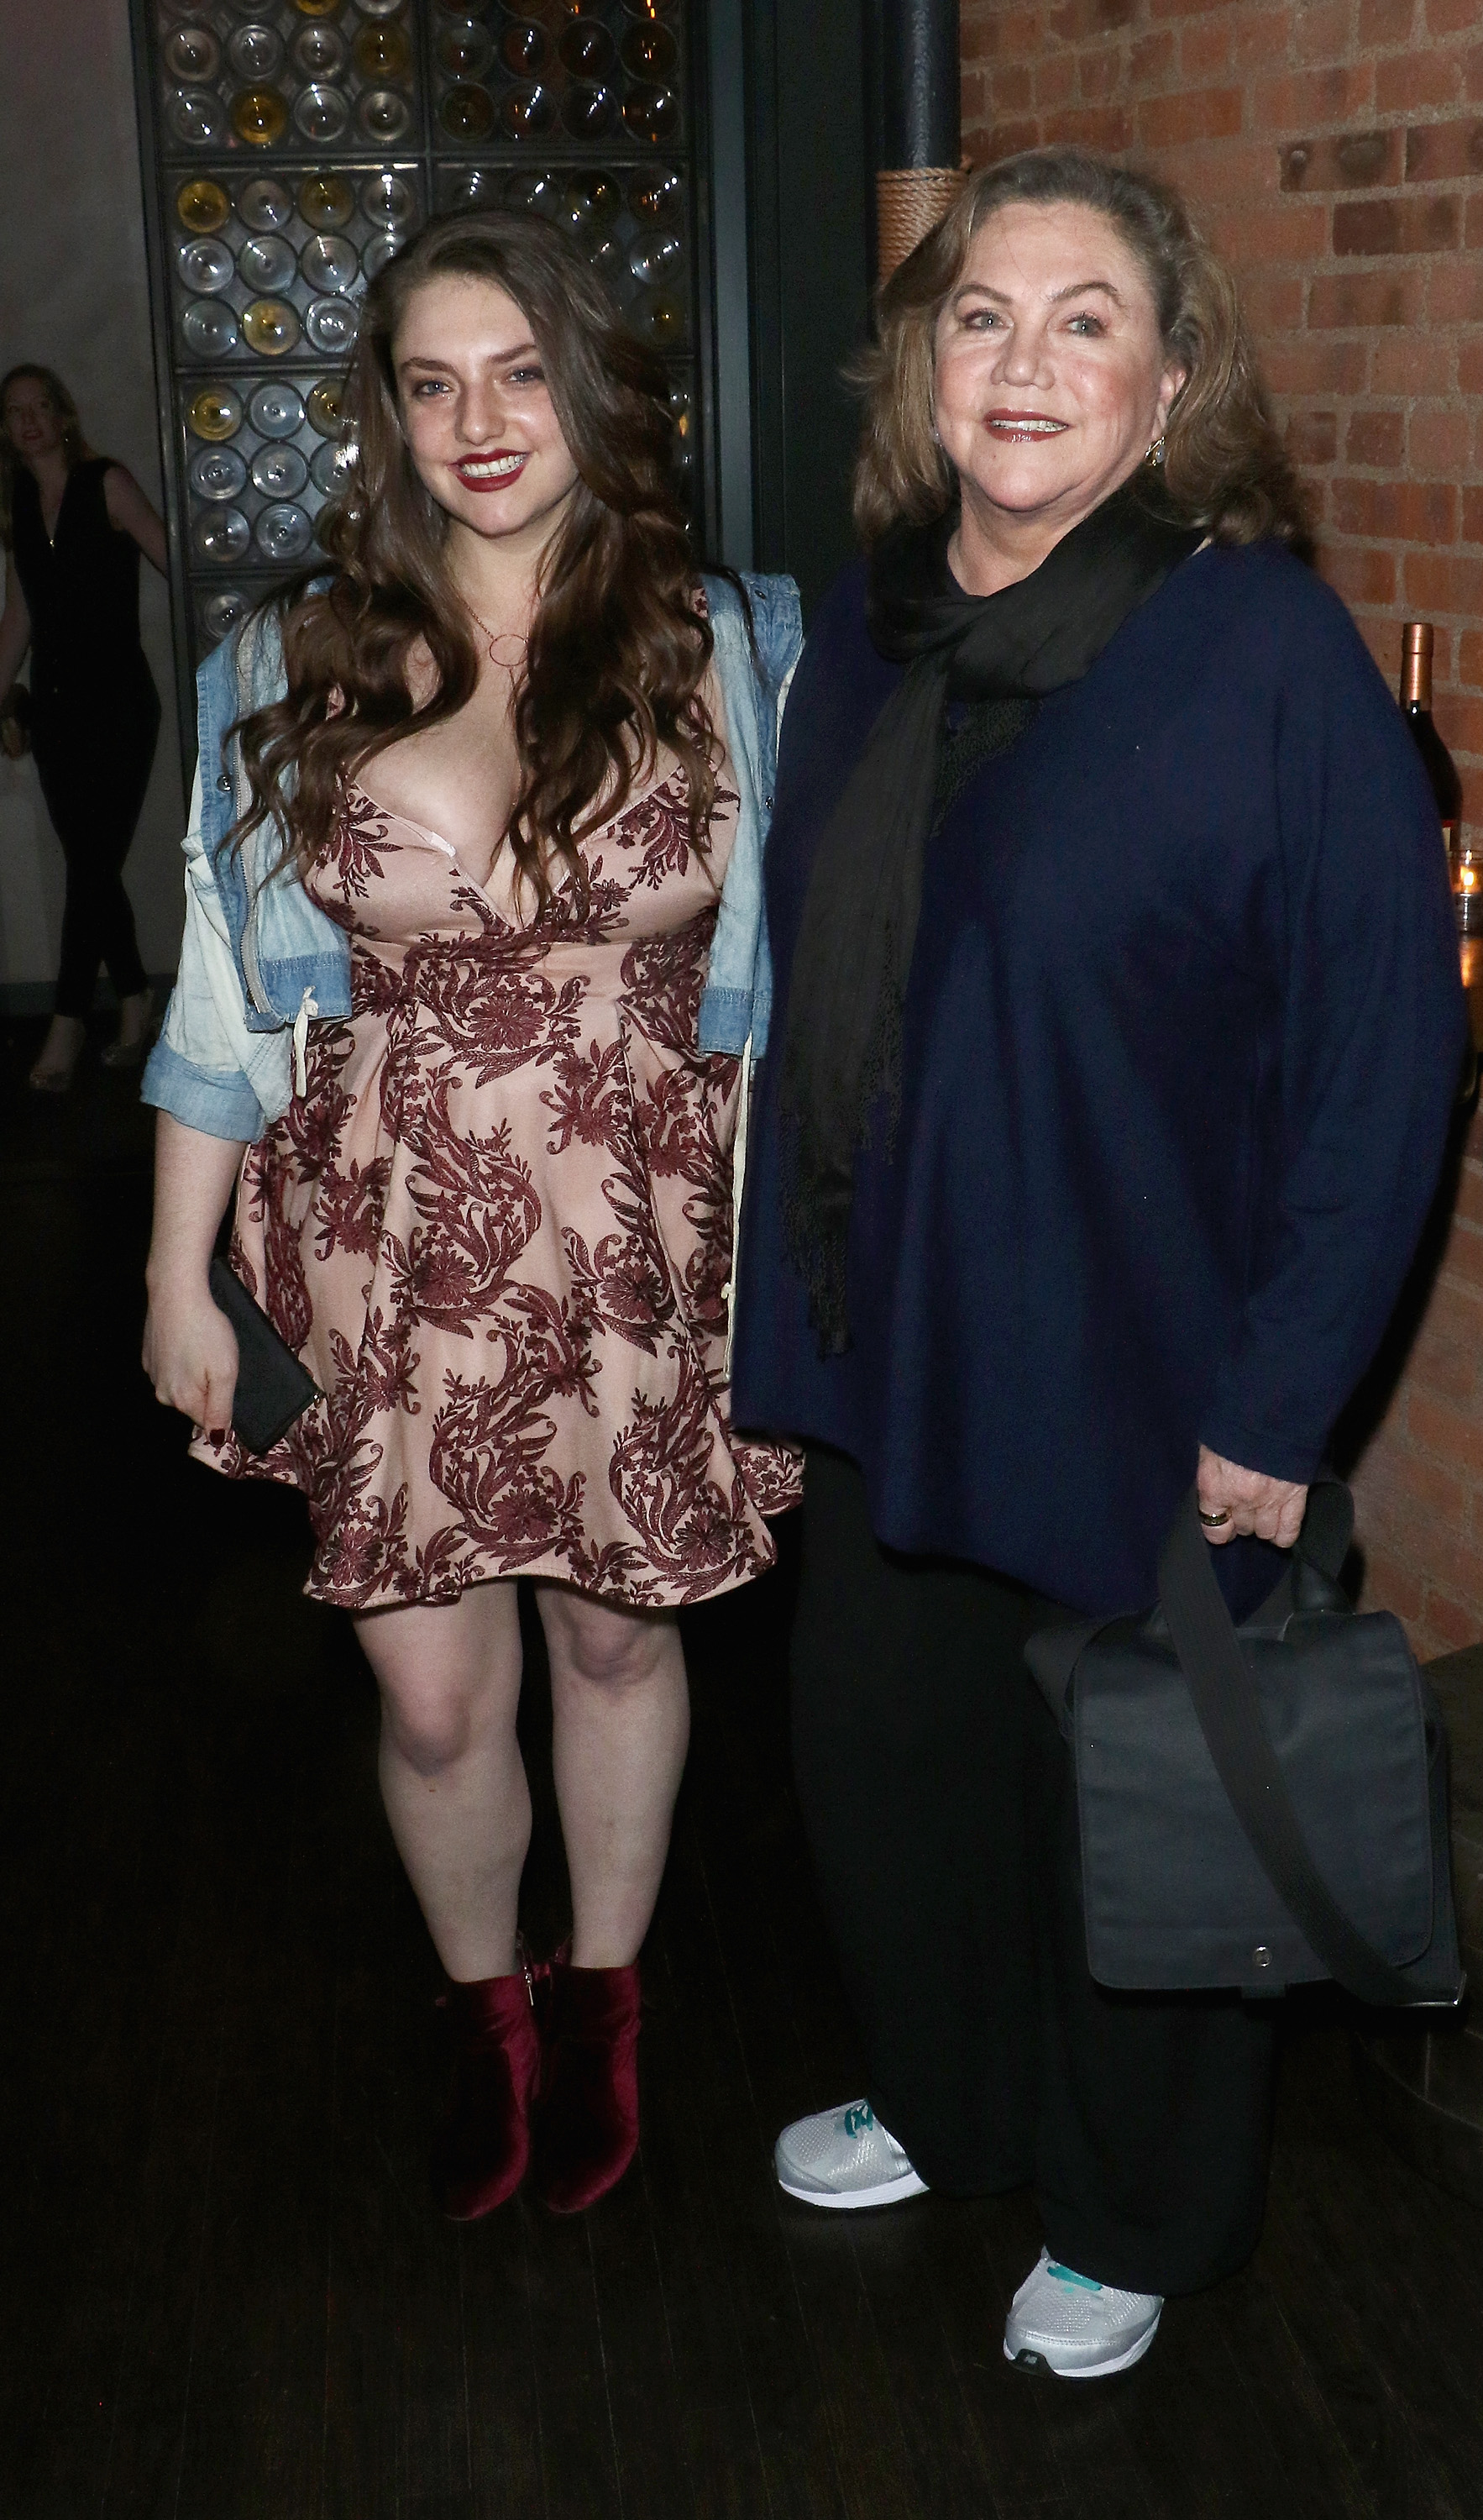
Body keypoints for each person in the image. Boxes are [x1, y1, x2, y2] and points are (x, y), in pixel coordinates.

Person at [730, 146, 1467, 2376]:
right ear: (921, 367)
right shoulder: (865, 627)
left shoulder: (1248, 646)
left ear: (1169, 388)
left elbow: (1378, 1045)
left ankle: (1135, 2213)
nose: (1020, 361)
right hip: (890, 1333)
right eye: (978, 316)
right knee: (889, 1772)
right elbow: (820, 992)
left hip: (1140, 1361)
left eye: (1081, 323)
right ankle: (952, 2104)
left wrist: (1276, 1401)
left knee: (1122, 1797)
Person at [140, 211, 801, 2222]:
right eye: (431, 382)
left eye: (517, 371)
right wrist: (176, 1266)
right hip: (385, 1242)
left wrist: (779, 1263)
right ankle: (480, 2017)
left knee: (615, 1641)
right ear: (388, 415)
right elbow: (227, 994)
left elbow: (774, 998)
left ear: (594, 386)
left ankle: (602, 2001)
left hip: (644, 1243)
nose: (477, 422)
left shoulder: (735, 642)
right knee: (432, 1692)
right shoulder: (287, 653)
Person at [0, 364, 169, 1090]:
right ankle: (135, 1004)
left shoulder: (108, 483)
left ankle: (66, 1024)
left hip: (121, 705)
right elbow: (21, 613)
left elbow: (177, 561)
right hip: (58, 708)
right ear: (6, 430)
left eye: (42, 407)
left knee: (91, 868)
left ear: (64, 416)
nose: (31, 420)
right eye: (16, 412)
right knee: (91, 869)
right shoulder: (16, 501)